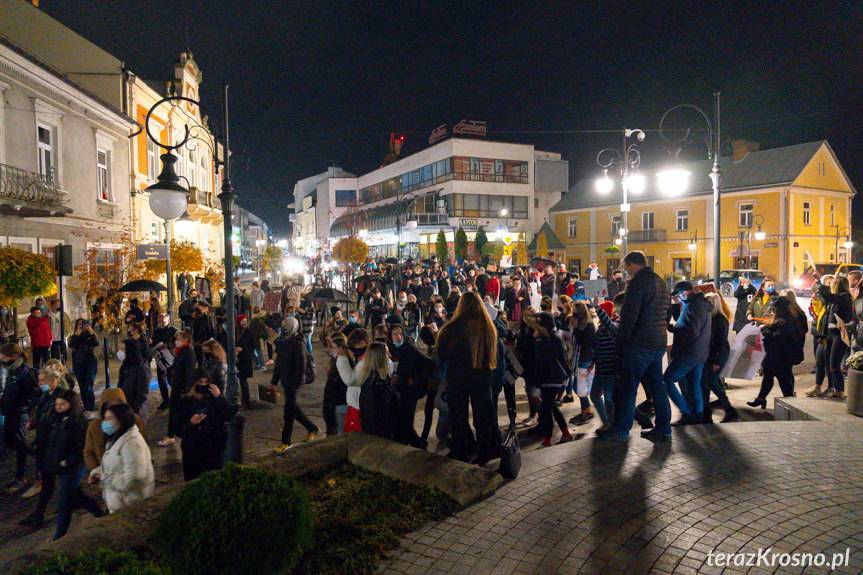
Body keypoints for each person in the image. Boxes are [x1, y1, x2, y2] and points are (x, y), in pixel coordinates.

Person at [600, 251, 670, 442]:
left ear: (633, 264)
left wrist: (621, 344)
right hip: (658, 341)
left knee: (627, 387)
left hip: (639, 344)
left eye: (627, 267)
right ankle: (664, 428)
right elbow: (667, 312)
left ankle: (622, 430)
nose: (626, 272)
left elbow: (629, 318)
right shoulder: (660, 282)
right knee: (658, 387)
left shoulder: (637, 283)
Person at [21, 389, 103, 538]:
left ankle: (59, 535)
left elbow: (82, 448)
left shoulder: (78, 423)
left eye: (62, 404)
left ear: (71, 404)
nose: (58, 407)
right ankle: (99, 514)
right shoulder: (56, 417)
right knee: (76, 496)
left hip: (71, 468)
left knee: (64, 501)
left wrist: (67, 461)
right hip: (57, 463)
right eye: (57, 404)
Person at [436, 291, 499, 464]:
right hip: (482, 376)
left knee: (458, 416)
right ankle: (485, 451)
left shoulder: (453, 327)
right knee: (483, 415)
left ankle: (460, 451)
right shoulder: (488, 327)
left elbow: (441, 352)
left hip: (458, 378)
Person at [87, 403, 155, 513]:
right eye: (104, 418)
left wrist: (104, 478)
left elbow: (133, 478)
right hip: (120, 501)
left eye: (109, 418)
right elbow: (115, 466)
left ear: (122, 419)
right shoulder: (116, 438)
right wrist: (97, 472)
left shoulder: (132, 444)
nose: (105, 423)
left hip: (131, 504)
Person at [662, 282, 712, 428]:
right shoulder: (701, 304)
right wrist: (675, 327)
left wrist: (675, 328)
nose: (678, 298)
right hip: (700, 352)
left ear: (686, 292)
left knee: (667, 380)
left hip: (689, 353)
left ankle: (687, 412)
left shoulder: (693, 306)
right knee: (694, 384)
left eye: (678, 295)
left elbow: (691, 331)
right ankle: (698, 414)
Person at [177, 369, 238, 481]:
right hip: (193, 451)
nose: (203, 385)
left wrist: (219, 397)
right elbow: (178, 430)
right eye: (200, 382)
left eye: (206, 382)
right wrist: (191, 423)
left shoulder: (213, 398)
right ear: (193, 383)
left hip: (214, 448)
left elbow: (229, 415)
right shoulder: (184, 402)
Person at [525, 311, 573, 447]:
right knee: (551, 407)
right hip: (547, 379)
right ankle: (565, 433)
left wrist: (566, 377)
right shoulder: (543, 338)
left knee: (546, 409)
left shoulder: (551, 338)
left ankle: (548, 439)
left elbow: (559, 359)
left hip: (552, 378)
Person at [747, 297, 806, 407]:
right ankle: (761, 398)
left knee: (783, 380)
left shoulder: (787, 321)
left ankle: (790, 403)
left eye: (775, 307)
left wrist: (765, 331)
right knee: (768, 377)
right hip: (775, 356)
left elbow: (780, 338)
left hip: (781, 357)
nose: (772, 309)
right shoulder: (784, 319)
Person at [271, 317, 319, 453]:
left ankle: (286, 442)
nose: (284, 327)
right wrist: (273, 381)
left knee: (288, 413)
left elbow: (301, 366)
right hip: (287, 382)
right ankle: (312, 428)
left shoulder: (298, 343)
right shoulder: (283, 341)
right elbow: (279, 364)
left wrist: (296, 384)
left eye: (287, 325)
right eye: (284, 325)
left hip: (293, 383)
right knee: (293, 409)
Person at [388, 324, 434, 448]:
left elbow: (429, 365)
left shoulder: (410, 349)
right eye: (394, 334)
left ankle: (419, 445)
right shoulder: (388, 349)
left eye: (400, 333)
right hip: (395, 393)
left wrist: (415, 379)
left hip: (408, 392)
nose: (398, 337)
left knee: (407, 422)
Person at [1, 343, 38, 491]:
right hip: (10, 411)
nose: (1, 358)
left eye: (3, 355)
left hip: (19, 413)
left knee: (20, 443)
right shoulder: (12, 370)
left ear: (14, 356)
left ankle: (21, 475)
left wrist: (26, 410)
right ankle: (34, 456)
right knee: (12, 442)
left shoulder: (24, 372)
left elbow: (31, 395)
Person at [84, 388, 146, 473]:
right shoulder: (95, 426)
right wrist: (96, 470)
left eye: (117, 407)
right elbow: (89, 451)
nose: (113, 411)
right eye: (109, 407)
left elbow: (143, 445)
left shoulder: (135, 421)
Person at [702, 293, 738, 423]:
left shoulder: (719, 319)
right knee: (707, 382)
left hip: (717, 355)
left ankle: (729, 410)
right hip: (712, 354)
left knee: (711, 382)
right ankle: (707, 412)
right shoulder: (712, 317)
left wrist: (717, 361)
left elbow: (721, 342)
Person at [817, 276, 853, 400]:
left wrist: (818, 280)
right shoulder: (838, 298)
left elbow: (828, 296)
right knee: (828, 363)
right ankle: (835, 389)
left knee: (834, 364)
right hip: (830, 334)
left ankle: (840, 391)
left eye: (833, 283)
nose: (831, 285)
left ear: (837, 285)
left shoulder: (844, 297)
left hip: (839, 334)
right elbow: (827, 298)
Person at [356, 342, 399, 440]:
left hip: (376, 430)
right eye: (387, 353)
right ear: (380, 358)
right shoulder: (375, 383)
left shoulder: (374, 378)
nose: (390, 356)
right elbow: (378, 411)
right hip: (380, 433)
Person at [159, 330, 195, 447]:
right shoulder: (181, 351)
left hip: (181, 388)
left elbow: (189, 372)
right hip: (177, 386)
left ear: (185, 340)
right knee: (175, 411)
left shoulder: (188, 352)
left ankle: (175, 435)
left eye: (178, 339)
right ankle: (172, 435)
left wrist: (186, 390)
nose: (176, 341)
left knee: (179, 412)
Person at [592, 301, 619, 430]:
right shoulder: (602, 327)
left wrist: (597, 307)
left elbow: (608, 323)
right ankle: (607, 422)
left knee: (609, 398)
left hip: (610, 369)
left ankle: (612, 424)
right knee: (595, 395)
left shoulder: (613, 326)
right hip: (600, 369)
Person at [569, 302, 597, 426]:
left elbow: (587, 343)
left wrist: (575, 329)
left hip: (585, 358)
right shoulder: (580, 325)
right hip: (579, 357)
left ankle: (587, 410)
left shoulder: (589, 326)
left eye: (575, 312)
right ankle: (585, 409)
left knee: (579, 386)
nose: (573, 314)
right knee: (578, 386)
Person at [337, 328, 370, 433]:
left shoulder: (365, 361)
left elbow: (351, 380)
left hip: (358, 406)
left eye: (354, 347)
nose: (352, 350)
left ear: (363, 343)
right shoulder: (363, 358)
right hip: (357, 404)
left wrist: (342, 358)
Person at [118, 324, 151, 418]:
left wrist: (133, 411)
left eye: (123, 349)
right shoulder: (126, 366)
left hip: (136, 413)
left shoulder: (142, 370)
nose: (120, 352)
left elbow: (142, 396)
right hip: (127, 409)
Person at [68, 319, 99, 413]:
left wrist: (92, 332)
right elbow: (71, 345)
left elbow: (96, 343)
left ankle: (91, 407)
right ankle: (86, 407)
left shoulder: (90, 335)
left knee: (88, 385)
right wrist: (77, 334)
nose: (81, 326)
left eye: (83, 324)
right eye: (79, 324)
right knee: (82, 386)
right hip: (79, 364)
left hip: (90, 363)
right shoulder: (75, 336)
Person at [322, 333, 349, 436]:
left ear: (341, 348)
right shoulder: (336, 361)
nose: (330, 350)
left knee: (339, 434)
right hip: (335, 404)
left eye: (332, 347)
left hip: (338, 405)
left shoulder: (341, 363)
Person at [151, 314, 177, 411]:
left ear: (168, 320)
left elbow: (177, 342)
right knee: (161, 381)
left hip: (170, 358)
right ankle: (166, 401)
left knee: (171, 380)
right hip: (160, 358)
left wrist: (168, 345)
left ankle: (175, 400)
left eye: (163, 320)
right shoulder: (156, 331)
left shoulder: (173, 330)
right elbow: (153, 343)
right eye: (160, 319)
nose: (161, 321)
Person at [236, 317, 255, 408]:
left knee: (243, 381)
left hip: (245, 359)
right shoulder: (237, 331)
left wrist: (242, 349)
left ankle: (246, 402)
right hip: (238, 359)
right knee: (240, 380)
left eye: (245, 321)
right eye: (242, 321)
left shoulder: (249, 332)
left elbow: (252, 346)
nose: (244, 323)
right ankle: (243, 400)